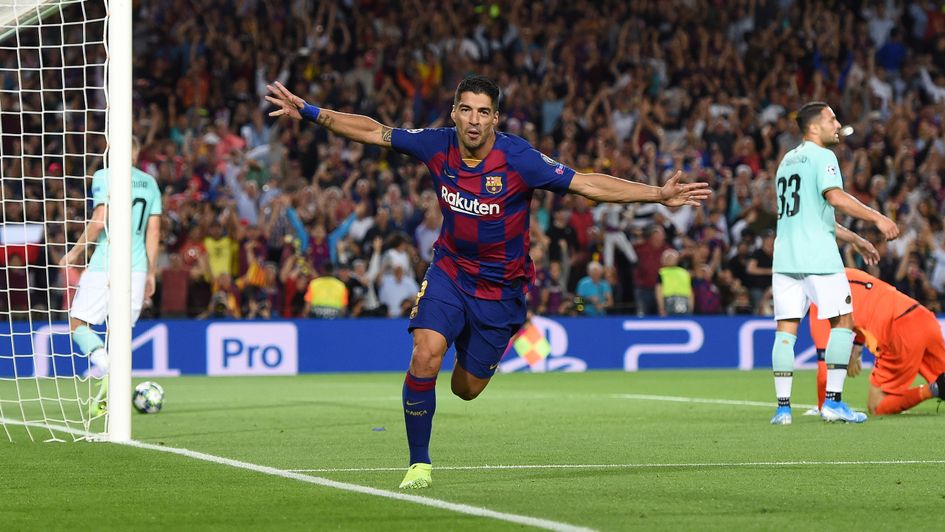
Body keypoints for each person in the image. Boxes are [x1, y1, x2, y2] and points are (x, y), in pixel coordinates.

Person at [266, 75, 710, 489]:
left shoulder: (519, 159)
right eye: (466, 110)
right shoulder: (436, 145)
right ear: (454, 113)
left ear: (495, 118)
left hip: (501, 291)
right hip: (450, 272)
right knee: (425, 353)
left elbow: (586, 184)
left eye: (483, 112)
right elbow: (374, 131)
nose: (474, 120)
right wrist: (311, 112)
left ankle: (472, 345)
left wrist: (657, 194)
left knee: (465, 389)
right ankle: (419, 463)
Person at [769, 101, 899, 426]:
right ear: (814, 127)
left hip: (785, 257)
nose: (838, 125)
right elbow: (835, 197)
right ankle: (833, 403)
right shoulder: (823, 156)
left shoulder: (787, 161)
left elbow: (811, 216)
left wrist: (854, 238)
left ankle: (782, 410)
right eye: (832, 119)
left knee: (785, 331)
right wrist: (878, 217)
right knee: (843, 321)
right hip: (818, 256)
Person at [58, 138, 162, 416]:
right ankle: (111, 389)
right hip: (137, 267)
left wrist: (75, 252)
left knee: (77, 321)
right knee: (119, 332)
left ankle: (107, 368)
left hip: (107, 261)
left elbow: (99, 220)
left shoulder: (105, 175)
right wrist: (151, 272)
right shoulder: (149, 182)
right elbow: (153, 231)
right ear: (136, 153)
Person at [808, 268, 945, 416]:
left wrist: (823, 406)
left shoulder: (819, 301)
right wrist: (857, 346)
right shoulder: (847, 273)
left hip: (898, 330)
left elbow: (825, 371)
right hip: (923, 317)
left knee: (876, 405)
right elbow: (866, 303)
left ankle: (934, 389)